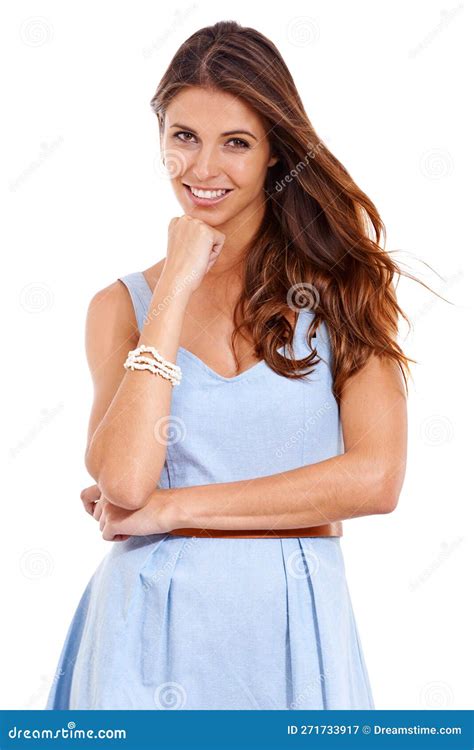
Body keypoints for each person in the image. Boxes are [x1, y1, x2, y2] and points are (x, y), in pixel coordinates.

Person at [45, 20, 411, 710]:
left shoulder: (345, 288)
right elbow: (123, 481)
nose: (203, 168)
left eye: (235, 143)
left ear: (276, 151)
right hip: (141, 634)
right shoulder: (122, 306)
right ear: (161, 139)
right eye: (184, 137)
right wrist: (175, 288)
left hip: (293, 629)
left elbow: (377, 477)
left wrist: (176, 509)